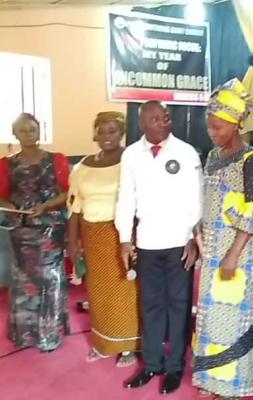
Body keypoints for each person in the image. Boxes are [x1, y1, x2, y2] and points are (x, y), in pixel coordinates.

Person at [192, 78, 253, 400]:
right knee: (214, 318)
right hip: (212, 248)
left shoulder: (250, 160)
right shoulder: (213, 155)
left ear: (237, 124)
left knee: (236, 317)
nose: (212, 132)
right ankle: (214, 380)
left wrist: (233, 254)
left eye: (218, 127)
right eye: (209, 126)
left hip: (237, 251)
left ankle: (235, 385)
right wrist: (199, 232)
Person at [116, 101, 202, 394]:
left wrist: (193, 237)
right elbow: (126, 198)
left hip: (179, 242)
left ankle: (175, 366)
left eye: (166, 117)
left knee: (178, 306)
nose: (164, 121)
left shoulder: (186, 152)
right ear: (141, 123)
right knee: (150, 305)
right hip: (147, 241)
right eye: (155, 118)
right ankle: (152, 363)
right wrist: (125, 239)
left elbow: (197, 198)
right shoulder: (131, 155)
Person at [67, 111, 140, 367]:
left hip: (121, 235)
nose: (107, 136)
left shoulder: (131, 161)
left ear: (122, 134)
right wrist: (72, 243)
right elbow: (74, 206)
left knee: (124, 291)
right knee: (98, 292)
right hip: (92, 236)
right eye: (101, 131)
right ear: (95, 134)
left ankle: (128, 346)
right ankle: (104, 344)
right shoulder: (82, 166)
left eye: (112, 131)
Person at [0, 113, 70, 352]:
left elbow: (67, 193)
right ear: (14, 134)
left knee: (50, 278)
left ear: (39, 131)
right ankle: (26, 333)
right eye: (23, 130)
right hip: (21, 230)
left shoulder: (56, 159)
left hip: (51, 228)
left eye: (32, 129)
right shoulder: (6, 164)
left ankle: (50, 334)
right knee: (23, 279)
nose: (29, 134)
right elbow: (2, 196)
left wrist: (46, 206)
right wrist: (10, 206)